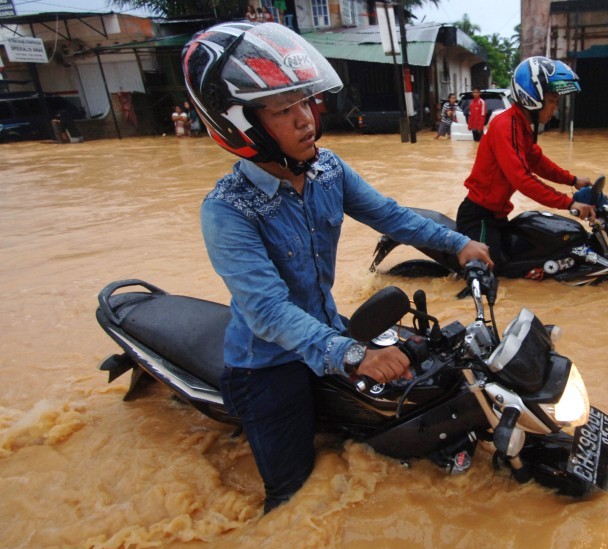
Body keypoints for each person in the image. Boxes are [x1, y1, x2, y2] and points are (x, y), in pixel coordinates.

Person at [182, 22, 491, 514]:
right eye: (285, 110)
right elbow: (266, 311)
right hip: (267, 363)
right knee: (295, 498)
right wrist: (353, 355)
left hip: (327, 332)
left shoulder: (327, 169)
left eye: (306, 102)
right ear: (241, 125)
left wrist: (459, 246)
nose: (306, 119)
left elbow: (390, 215)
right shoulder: (227, 210)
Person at [455, 57, 595, 269]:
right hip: (480, 218)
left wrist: (573, 180)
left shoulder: (521, 126)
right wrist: (569, 203)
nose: (554, 108)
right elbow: (522, 179)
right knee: (493, 272)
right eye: (552, 101)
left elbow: (538, 162)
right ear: (533, 98)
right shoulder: (506, 126)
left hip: (498, 216)